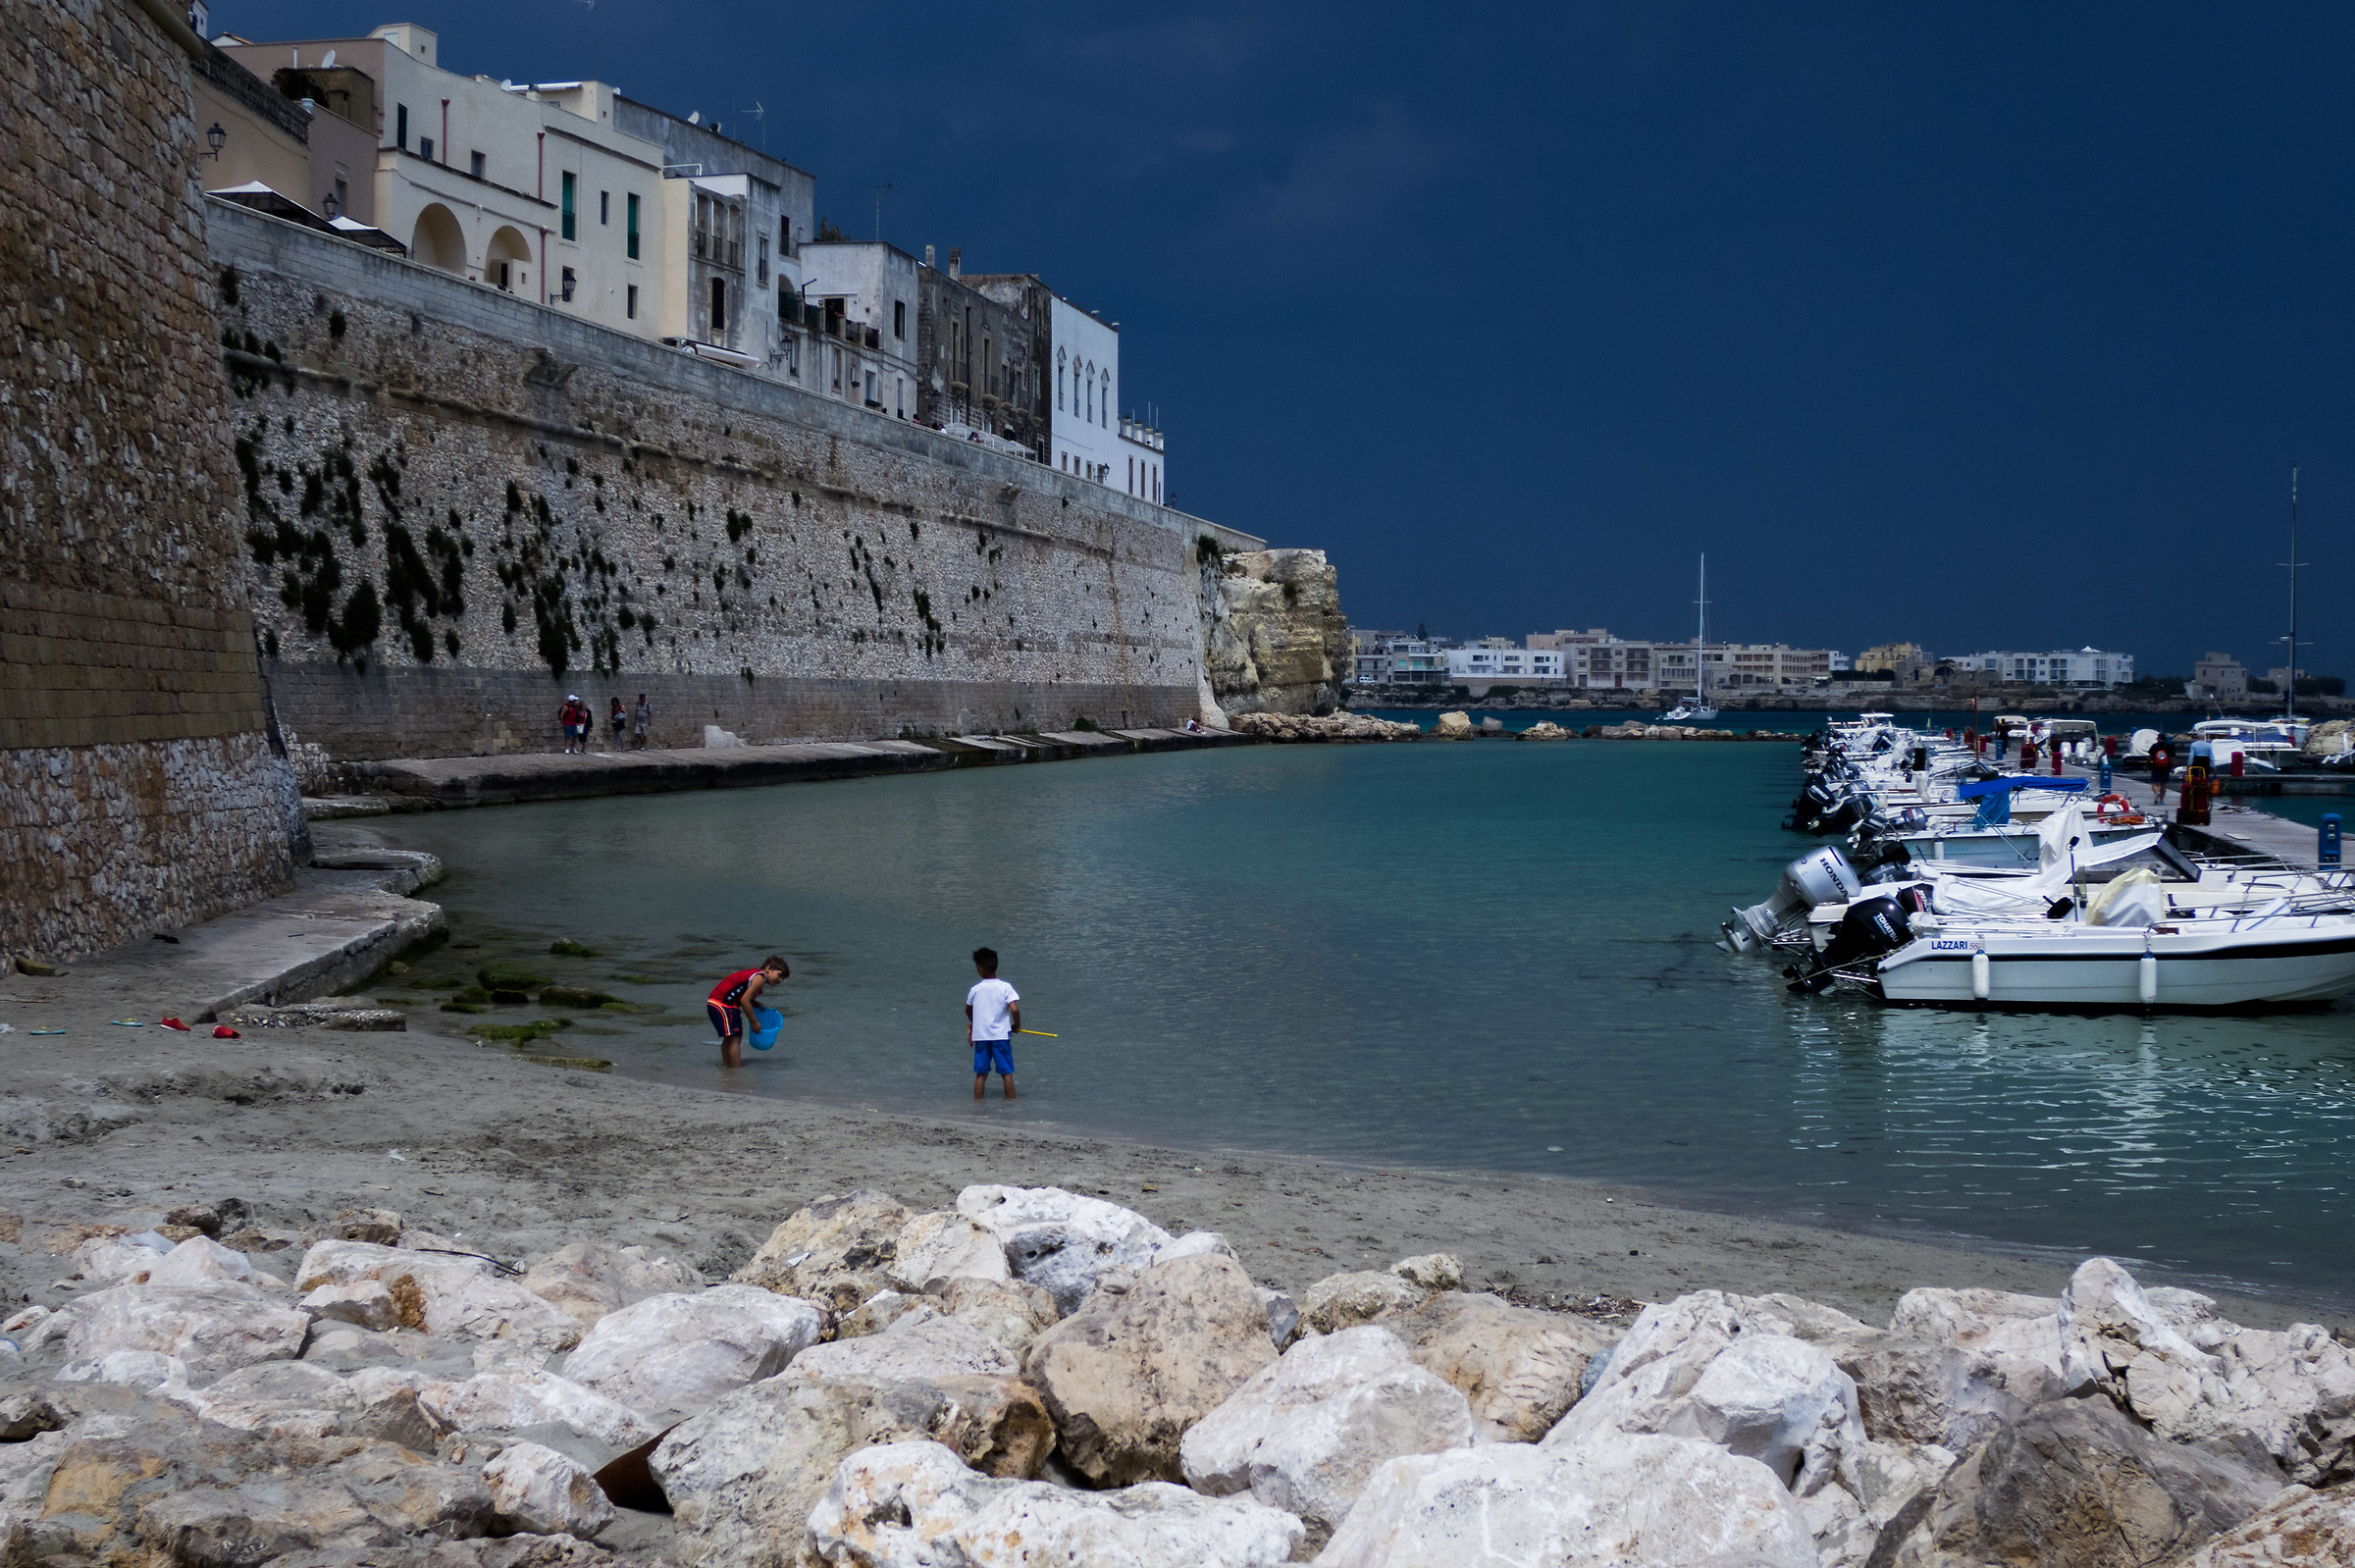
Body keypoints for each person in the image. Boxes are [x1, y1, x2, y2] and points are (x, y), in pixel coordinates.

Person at [707, 957, 788, 1070]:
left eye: (783, 979)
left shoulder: (755, 977)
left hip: (715, 1003)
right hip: (724, 1004)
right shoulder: (759, 978)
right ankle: (735, 1071)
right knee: (735, 1038)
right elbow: (745, 1001)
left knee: (729, 1038)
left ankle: (728, 1067)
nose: (780, 980)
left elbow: (744, 996)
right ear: (768, 968)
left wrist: (757, 1004)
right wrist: (754, 1022)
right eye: (779, 975)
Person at [966, 946, 1020, 1101]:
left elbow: (968, 1010)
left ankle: (977, 1106)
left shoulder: (975, 989)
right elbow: (1014, 1010)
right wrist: (1016, 1025)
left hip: (981, 1036)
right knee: (1006, 1072)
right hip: (1000, 1036)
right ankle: (1012, 1106)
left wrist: (975, 1023)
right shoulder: (1005, 987)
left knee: (981, 1073)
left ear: (980, 968)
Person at [2150, 734, 2173, 804]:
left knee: (2154, 782)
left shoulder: (2154, 746)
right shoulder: (2169, 746)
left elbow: (2150, 756)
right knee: (2163, 784)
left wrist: (2146, 765)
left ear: (2159, 738)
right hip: (2166, 767)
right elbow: (2172, 758)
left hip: (2155, 766)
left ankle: (2156, 792)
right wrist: (2172, 767)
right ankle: (2162, 800)